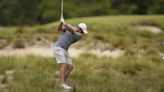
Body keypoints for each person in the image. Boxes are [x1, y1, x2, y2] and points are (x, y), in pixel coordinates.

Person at [53, 17, 88, 89]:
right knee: (64, 65)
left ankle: (63, 83)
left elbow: (72, 31)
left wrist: (65, 24)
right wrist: (61, 23)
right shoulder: (70, 27)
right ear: (79, 28)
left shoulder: (79, 35)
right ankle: (63, 84)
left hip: (64, 50)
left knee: (70, 67)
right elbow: (59, 29)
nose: (82, 33)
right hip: (58, 47)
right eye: (82, 31)